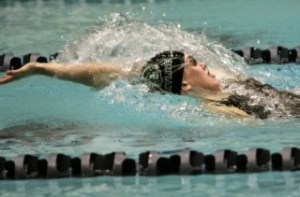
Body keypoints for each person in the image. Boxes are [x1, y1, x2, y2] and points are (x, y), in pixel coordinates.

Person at [0, 51, 299, 119]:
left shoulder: (222, 83)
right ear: (183, 87)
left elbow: (119, 73)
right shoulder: (218, 105)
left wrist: (42, 69)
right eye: (194, 64)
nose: (204, 65)